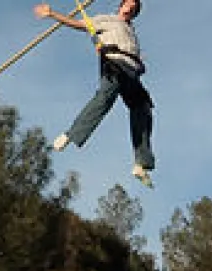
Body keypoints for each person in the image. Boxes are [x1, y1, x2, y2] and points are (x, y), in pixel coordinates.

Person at [33, 0, 155, 187]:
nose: (130, 9)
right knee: (105, 98)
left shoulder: (132, 33)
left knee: (143, 108)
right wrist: (52, 14)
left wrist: (139, 61)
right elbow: (79, 24)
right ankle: (70, 134)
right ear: (121, 6)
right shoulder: (107, 20)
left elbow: (133, 56)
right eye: (127, 5)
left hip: (131, 73)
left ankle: (141, 163)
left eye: (133, 8)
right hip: (114, 64)